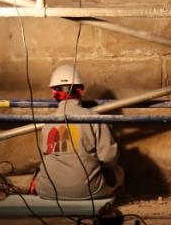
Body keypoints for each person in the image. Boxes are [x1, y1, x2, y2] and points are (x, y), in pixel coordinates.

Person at [33, 64, 124, 201]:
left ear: (54, 93)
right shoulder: (94, 118)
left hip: (48, 191)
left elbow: (45, 157)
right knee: (119, 173)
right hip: (90, 191)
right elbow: (108, 157)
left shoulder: (47, 122)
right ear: (80, 90)